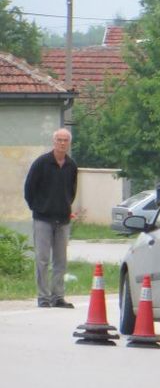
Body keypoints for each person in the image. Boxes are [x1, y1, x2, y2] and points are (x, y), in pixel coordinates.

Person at [23, 128, 78, 309]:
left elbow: (72, 190)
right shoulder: (42, 163)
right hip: (43, 218)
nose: (62, 143)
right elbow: (29, 188)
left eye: (65, 140)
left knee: (60, 261)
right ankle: (43, 297)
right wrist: (37, 207)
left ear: (69, 143)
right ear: (54, 142)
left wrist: (65, 206)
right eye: (59, 140)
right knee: (42, 259)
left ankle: (58, 296)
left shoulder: (71, 166)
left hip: (62, 219)